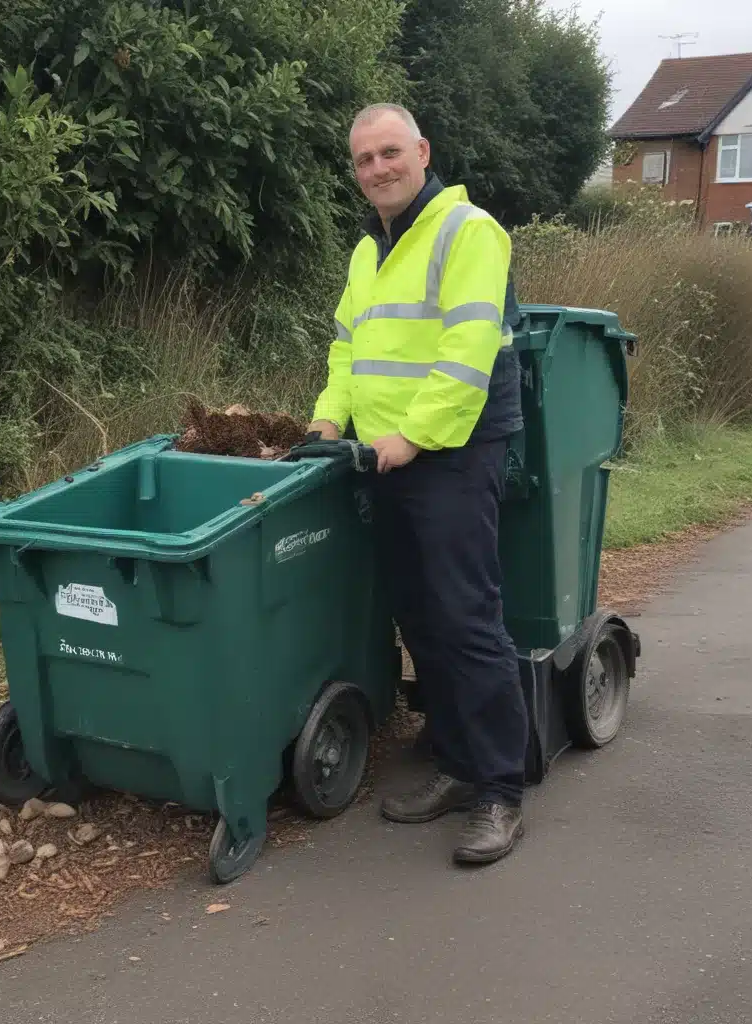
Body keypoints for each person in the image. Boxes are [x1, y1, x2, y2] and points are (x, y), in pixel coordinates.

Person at [307, 103, 529, 865]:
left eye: (390, 153)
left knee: (466, 617)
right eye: (364, 159)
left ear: (423, 151)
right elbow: (349, 351)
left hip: (454, 451)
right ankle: (459, 768)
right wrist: (328, 423)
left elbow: (468, 353)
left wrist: (411, 436)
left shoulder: (468, 232)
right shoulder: (368, 252)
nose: (378, 169)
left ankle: (500, 790)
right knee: (420, 618)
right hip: (385, 456)